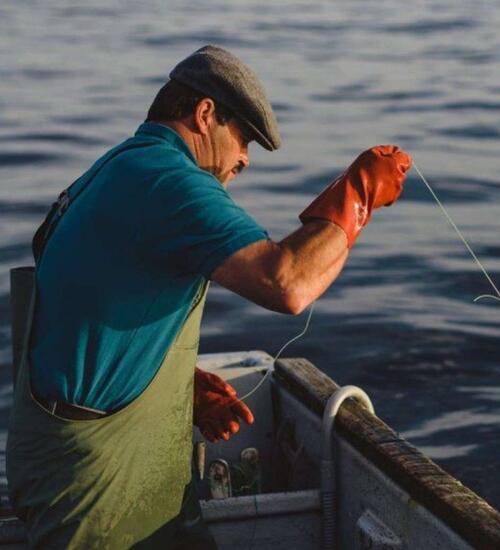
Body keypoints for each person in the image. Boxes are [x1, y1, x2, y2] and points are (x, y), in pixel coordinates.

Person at [6, 45, 411, 548]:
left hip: (76, 444)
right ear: (204, 114)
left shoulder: (117, 167)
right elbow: (288, 283)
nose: (244, 158)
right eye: (243, 138)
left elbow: (88, 305)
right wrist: (359, 192)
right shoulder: (168, 180)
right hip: (96, 478)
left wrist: (178, 387)